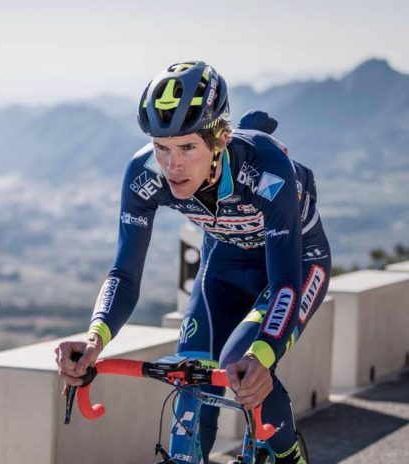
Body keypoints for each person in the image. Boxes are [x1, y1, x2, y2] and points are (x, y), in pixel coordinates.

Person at [55, 61, 330, 464]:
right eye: (161, 147)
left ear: (219, 141)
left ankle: (289, 455)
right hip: (223, 263)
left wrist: (262, 356)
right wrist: (95, 338)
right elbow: (124, 275)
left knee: (242, 362)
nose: (172, 165)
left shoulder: (266, 170)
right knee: (190, 377)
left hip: (296, 264)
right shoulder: (143, 174)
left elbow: (286, 282)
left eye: (187, 147)